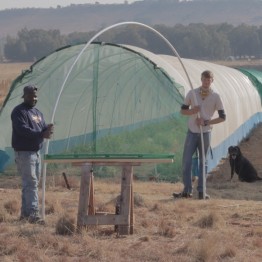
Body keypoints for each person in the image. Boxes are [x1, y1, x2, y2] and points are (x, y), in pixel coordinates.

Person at [173, 70, 226, 199]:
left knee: (203, 162)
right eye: (204, 79)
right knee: (186, 161)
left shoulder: (216, 97)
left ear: (212, 81)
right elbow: (182, 111)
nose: (206, 82)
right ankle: (187, 191)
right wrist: (192, 111)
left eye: (209, 80)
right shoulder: (192, 94)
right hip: (192, 133)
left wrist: (206, 122)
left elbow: (222, 117)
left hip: (205, 133)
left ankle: (202, 192)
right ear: (201, 79)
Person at [11, 85, 54, 224]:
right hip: (24, 153)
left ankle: (25, 214)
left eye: (35, 96)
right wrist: (41, 134)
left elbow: (41, 129)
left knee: (31, 184)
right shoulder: (19, 111)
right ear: (25, 96)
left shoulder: (38, 113)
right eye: (31, 96)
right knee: (31, 182)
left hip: (36, 152)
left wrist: (47, 129)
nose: (34, 98)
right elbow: (23, 130)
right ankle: (33, 214)